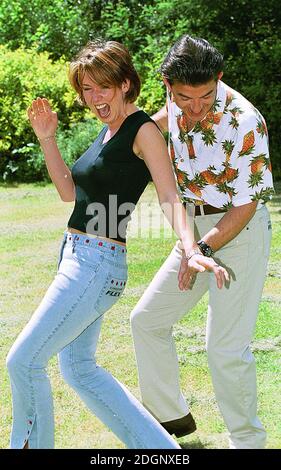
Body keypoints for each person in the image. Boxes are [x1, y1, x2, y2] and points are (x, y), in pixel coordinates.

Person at [5, 39, 228, 449]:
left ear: (125, 83)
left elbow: (168, 196)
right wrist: (47, 138)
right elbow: (69, 193)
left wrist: (191, 248)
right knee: (79, 368)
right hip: (75, 256)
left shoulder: (142, 130)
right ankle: (163, 451)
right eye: (86, 90)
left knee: (23, 361)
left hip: (95, 263)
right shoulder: (107, 133)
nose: (94, 98)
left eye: (102, 87)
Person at [130, 35, 274, 449]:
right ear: (167, 84)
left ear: (219, 79)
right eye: (183, 98)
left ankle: (248, 442)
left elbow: (245, 204)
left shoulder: (246, 120)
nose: (195, 108)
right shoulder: (172, 108)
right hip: (193, 235)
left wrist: (202, 251)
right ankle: (171, 419)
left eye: (205, 97)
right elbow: (145, 134)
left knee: (225, 348)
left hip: (238, 234)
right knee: (147, 321)